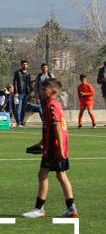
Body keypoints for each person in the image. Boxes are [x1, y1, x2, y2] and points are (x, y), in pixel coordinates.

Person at [22, 79, 79, 219]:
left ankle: (39, 209)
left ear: (53, 92)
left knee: (43, 174)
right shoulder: (55, 105)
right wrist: (41, 143)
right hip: (56, 146)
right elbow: (49, 128)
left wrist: (58, 147)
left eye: (44, 89)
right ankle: (71, 208)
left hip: (54, 148)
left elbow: (57, 127)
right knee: (61, 175)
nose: (41, 92)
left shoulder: (51, 106)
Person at [12, 60, 33, 126]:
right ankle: (18, 122)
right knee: (19, 108)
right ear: (21, 65)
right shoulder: (17, 73)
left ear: (28, 65)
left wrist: (30, 91)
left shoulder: (28, 74)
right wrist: (16, 92)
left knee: (24, 108)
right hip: (20, 93)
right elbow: (15, 83)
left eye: (26, 64)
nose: (25, 65)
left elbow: (29, 83)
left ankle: (21, 121)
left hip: (26, 93)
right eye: (24, 64)